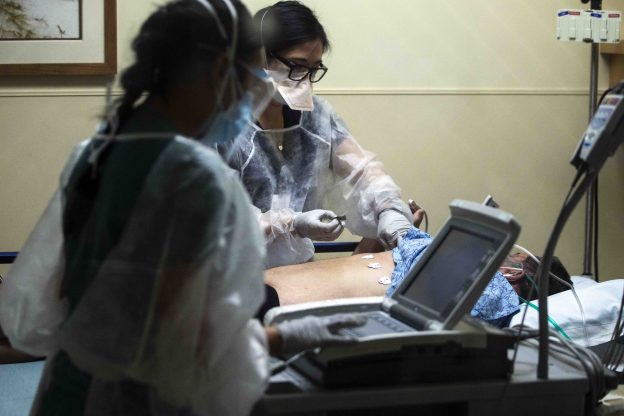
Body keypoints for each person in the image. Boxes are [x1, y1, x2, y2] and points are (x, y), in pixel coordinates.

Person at [0, 1, 365, 415]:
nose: (257, 93)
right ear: (219, 72)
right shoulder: (195, 180)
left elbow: (40, 310)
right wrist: (285, 337)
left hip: (66, 390)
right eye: (253, 77)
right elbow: (193, 344)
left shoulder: (96, 152)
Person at [216, 0, 414, 269]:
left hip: (299, 271)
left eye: (313, 69)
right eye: (297, 65)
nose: (305, 80)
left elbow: (362, 170)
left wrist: (389, 209)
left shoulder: (315, 118)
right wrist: (291, 223)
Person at [266, 225, 522, 328]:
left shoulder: (493, 288)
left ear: (515, 272)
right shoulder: (439, 256)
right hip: (264, 292)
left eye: (514, 256)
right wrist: (385, 232)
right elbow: (354, 268)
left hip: (270, 309)